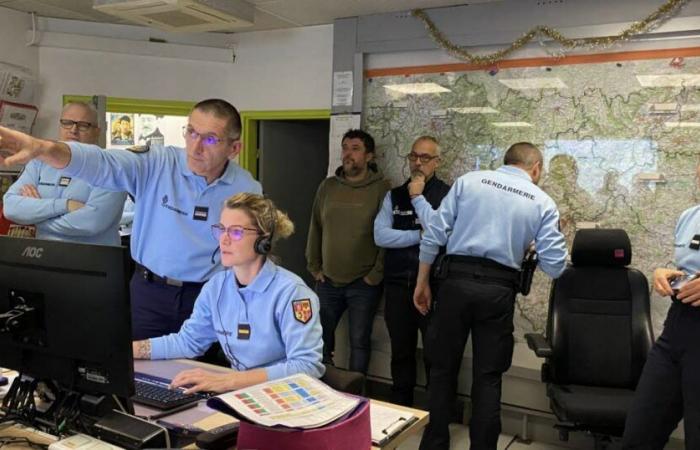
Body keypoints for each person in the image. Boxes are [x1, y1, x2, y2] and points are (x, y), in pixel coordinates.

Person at [0, 99, 262, 340]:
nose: (196, 146)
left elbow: (249, 256)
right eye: (191, 132)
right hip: (149, 293)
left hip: (208, 295)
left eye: (211, 139)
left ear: (234, 148)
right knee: (136, 376)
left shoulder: (246, 188)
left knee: (202, 378)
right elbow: (103, 163)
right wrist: (43, 149)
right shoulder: (157, 163)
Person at [414, 142, 568, 450]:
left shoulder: (469, 182)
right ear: (535, 168)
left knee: (442, 371)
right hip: (498, 292)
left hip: (454, 284)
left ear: (505, 161)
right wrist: (534, 249)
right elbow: (556, 267)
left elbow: (434, 232)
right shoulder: (542, 201)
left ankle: (434, 444)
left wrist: (422, 282)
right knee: (488, 377)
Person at [132, 193, 324, 393]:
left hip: (285, 396)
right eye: (221, 229)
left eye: (236, 232)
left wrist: (229, 381)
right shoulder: (216, 287)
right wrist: (130, 350)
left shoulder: (293, 293)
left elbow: (307, 366)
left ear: (263, 240)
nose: (224, 240)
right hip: (241, 393)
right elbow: (187, 342)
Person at [621, 166, 700, 449]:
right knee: (639, 435)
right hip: (678, 326)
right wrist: (664, 273)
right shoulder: (689, 216)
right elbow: (689, 267)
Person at [306, 129, 390, 374]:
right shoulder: (328, 187)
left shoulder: (381, 189)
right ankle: (321, 390)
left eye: (355, 148)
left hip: (363, 283)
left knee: (359, 341)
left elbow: (386, 237)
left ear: (369, 156)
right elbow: (315, 226)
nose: (348, 154)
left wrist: (375, 274)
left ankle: (356, 396)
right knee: (318, 339)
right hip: (328, 280)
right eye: (345, 148)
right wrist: (314, 266)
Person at [373, 135, 450, 406]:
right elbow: (380, 236)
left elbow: (443, 235)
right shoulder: (394, 195)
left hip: (435, 287)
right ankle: (400, 409)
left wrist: (421, 233)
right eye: (413, 156)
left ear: (437, 162)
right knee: (401, 352)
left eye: (425, 158)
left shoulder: (447, 195)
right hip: (397, 285)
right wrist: (419, 235)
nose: (418, 162)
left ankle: (436, 412)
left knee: (435, 354)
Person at [2, 102, 126, 245]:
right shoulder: (39, 162)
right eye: (67, 123)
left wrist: (35, 218)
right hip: (43, 256)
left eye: (83, 125)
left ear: (97, 131)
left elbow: (91, 223)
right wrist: (65, 205)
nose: (73, 130)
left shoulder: (110, 168)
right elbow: (10, 208)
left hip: (93, 261)